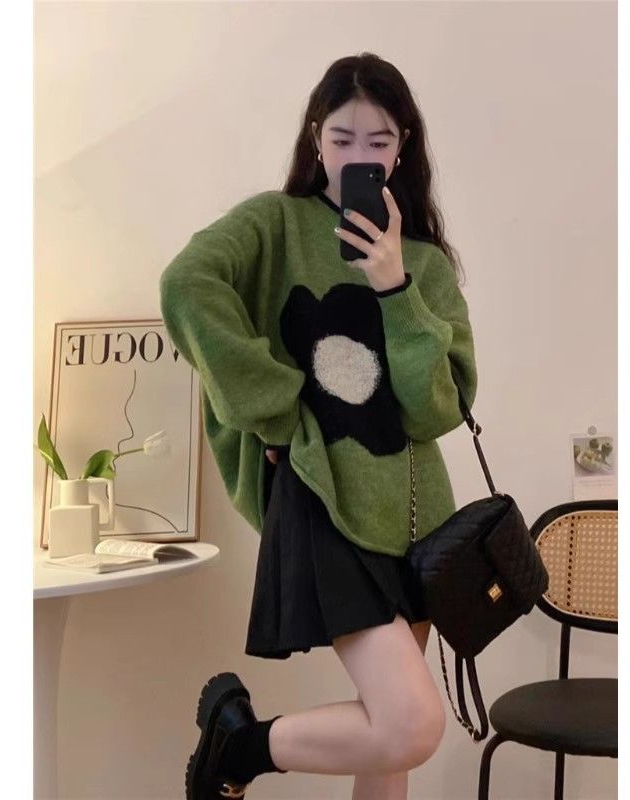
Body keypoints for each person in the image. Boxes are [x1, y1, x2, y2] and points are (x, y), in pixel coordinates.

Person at [160, 52, 477, 800]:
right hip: (321, 494)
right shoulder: (273, 225)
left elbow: (437, 410)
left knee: (388, 747)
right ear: (315, 138)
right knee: (411, 724)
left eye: (378, 141)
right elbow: (187, 285)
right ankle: (239, 747)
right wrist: (275, 409)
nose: (358, 155)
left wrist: (394, 286)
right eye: (342, 139)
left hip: (412, 516)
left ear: (403, 147)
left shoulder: (425, 264)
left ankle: (239, 744)